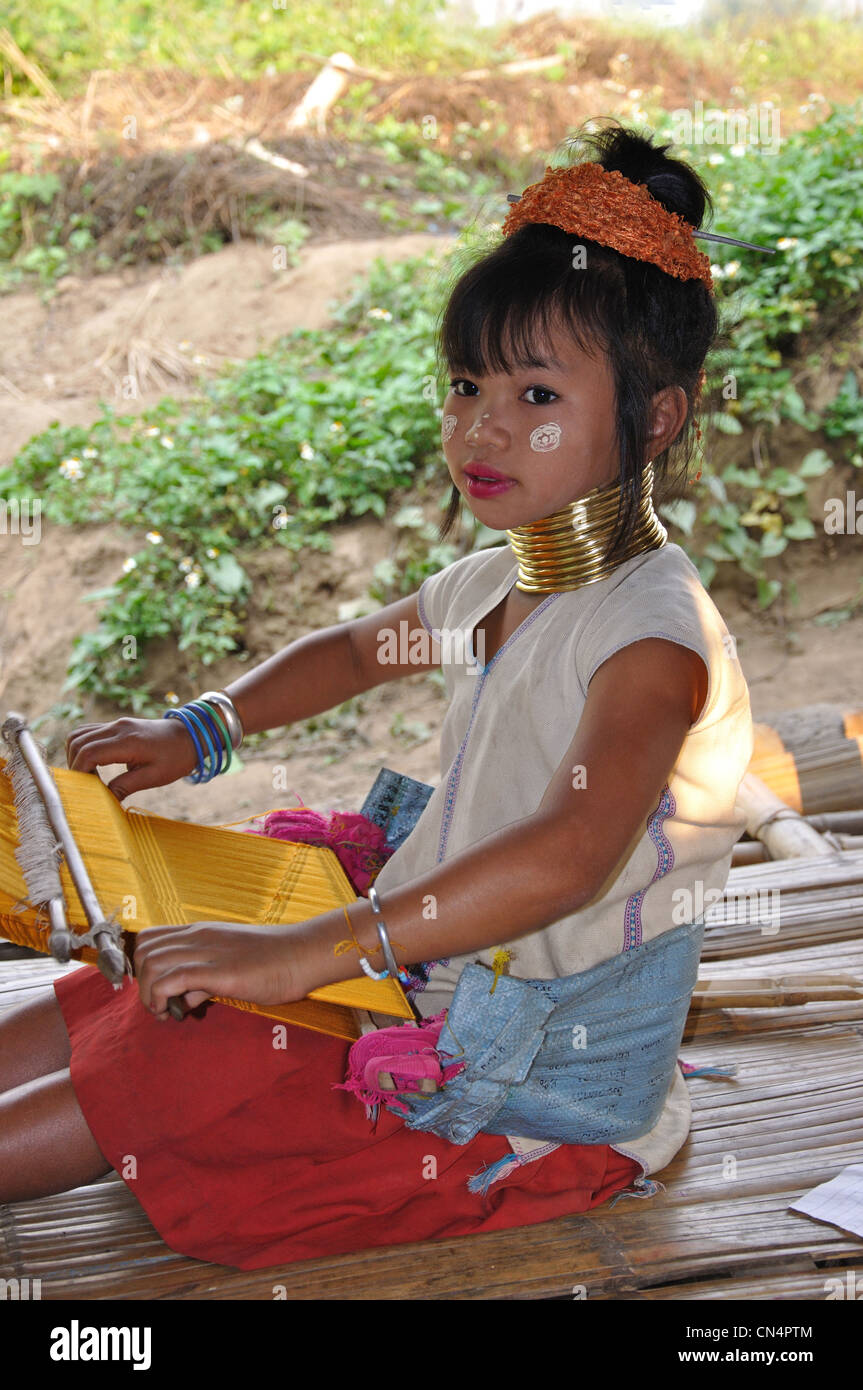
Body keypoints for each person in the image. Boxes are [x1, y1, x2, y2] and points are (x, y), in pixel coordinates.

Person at [0, 119, 754, 1274]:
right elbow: (354, 651)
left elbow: (567, 852)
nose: (479, 425)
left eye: (534, 392)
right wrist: (202, 729)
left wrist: (307, 954)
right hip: (428, 968)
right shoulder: (509, 576)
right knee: (139, 977)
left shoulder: (651, 641)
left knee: (188, 1041)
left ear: (656, 418)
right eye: (464, 384)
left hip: (525, 1079)